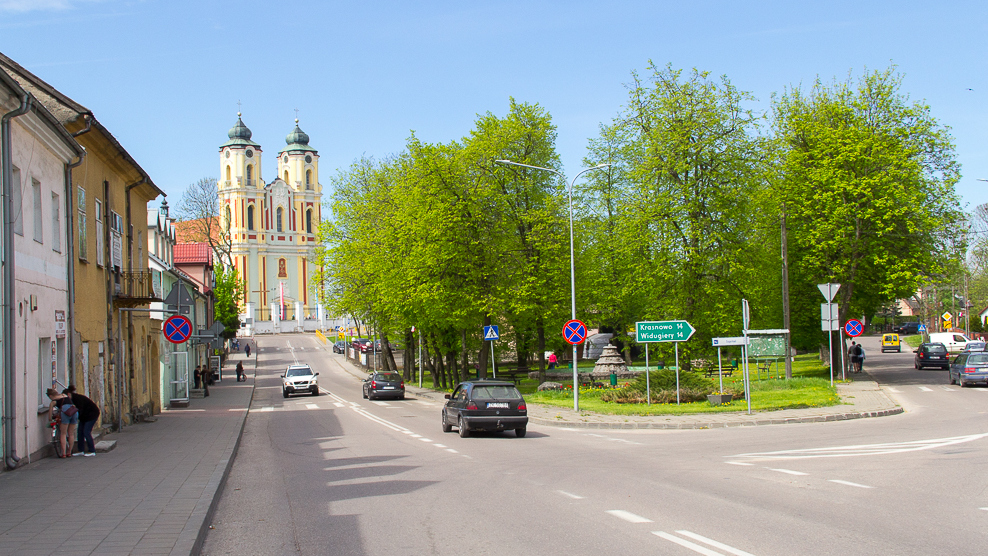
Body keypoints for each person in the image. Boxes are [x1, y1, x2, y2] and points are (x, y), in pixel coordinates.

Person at [64, 385, 100, 456]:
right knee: (80, 432)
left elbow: (80, 410)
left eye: (65, 397)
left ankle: (92, 450)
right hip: (84, 417)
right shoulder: (72, 399)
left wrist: (74, 417)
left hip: (92, 415)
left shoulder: (77, 399)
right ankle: (81, 450)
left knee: (86, 432)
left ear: (68, 394)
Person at [46, 388, 77, 458]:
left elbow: (50, 414)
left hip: (65, 414)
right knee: (71, 433)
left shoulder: (53, 402)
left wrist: (50, 419)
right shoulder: (65, 395)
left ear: (50, 396)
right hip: (74, 412)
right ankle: (69, 452)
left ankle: (63, 453)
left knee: (63, 433)